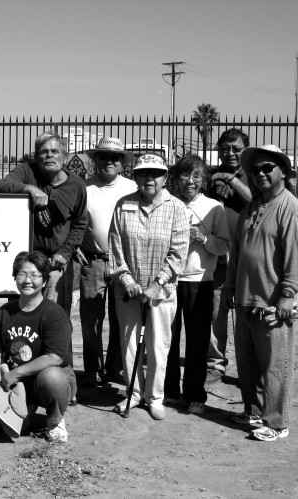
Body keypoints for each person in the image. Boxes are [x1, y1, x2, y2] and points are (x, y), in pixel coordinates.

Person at [224, 144, 298, 442]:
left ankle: (277, 422)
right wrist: (232, 287)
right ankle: (254, 410)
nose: (261, 174)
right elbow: (238, 252)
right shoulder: (251, 207)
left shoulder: (289, 206)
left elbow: (295, 254)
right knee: (248, 360)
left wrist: (288, 294)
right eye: (255, 169)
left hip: (272, 300)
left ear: (282, 171)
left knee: (275, 364)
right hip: (246, 297)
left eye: (268, 168)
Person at [108, 154, 189, 420]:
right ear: (136, 177)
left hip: (161, 293)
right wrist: (127, 281)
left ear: (166, 177)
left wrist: (158, 283)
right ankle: (132, 394)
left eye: (156, 173)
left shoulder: (176, 207)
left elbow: (179, 252)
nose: (149, 178)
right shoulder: (123, 205)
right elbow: (115, 249)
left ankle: (154, 396)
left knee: (157, 346)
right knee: (129, 344)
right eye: (143, 173)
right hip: (128, 291)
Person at [0, 251, 76, 442]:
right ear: (15, 278)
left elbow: (55, 358)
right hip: (18, 383)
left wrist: (15, 373)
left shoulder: (54, 313)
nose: (27, 280)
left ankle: (55, 420)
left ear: (45, 281)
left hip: (48, 378)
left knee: (52, 377)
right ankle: (27, 412)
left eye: (34, 275)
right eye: (22, 274)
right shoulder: (5, 312)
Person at [164, 155, 230, 414]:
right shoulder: (168, 203)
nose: (190, 182)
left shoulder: (214, 207)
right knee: (167, 337)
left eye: (196, 177)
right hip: (169, 279)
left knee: (198, 339)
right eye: (184, 176)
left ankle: (194, 395)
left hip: (199, 279)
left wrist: (204, 238)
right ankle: (169, 391)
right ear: (175, 179)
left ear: (203, 181)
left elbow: (224, 244)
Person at [0, 131, 87, 314]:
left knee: (55, 316)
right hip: (27, 261)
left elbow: (79, 223)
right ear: (36, 157)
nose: (49, 155)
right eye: (44, 152)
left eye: (55, 151)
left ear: (65, 156)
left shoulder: (76, 185)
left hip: (56, 263)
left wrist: (65, 252)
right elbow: (0, 186)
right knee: (22, 314)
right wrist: (29, 188)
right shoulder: (27, 171)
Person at [77, 137, 136, 387]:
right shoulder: (83, 187)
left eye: (114, 157)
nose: (108, 161)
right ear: (95, 161)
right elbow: (73, 220)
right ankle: (93, 368)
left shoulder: (133, 188)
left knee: (121, 318)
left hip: (124, 262)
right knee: (91, 319)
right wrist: (75, 246)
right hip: (93, 260)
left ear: (122, 163)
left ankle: (114, 368)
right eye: (103, 156)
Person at [205, 128, 252, 383]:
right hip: (219, 256)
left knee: (247, 313)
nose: (231, 153)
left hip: (249, 256)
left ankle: (248, 368)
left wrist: (231, 180)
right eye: (225, 148)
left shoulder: (256, 173)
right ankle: (215, 363)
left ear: (245, 149)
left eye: (236, 148)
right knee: (216, 311)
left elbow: (254, 200)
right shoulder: (211, 177)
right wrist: (218, 181)